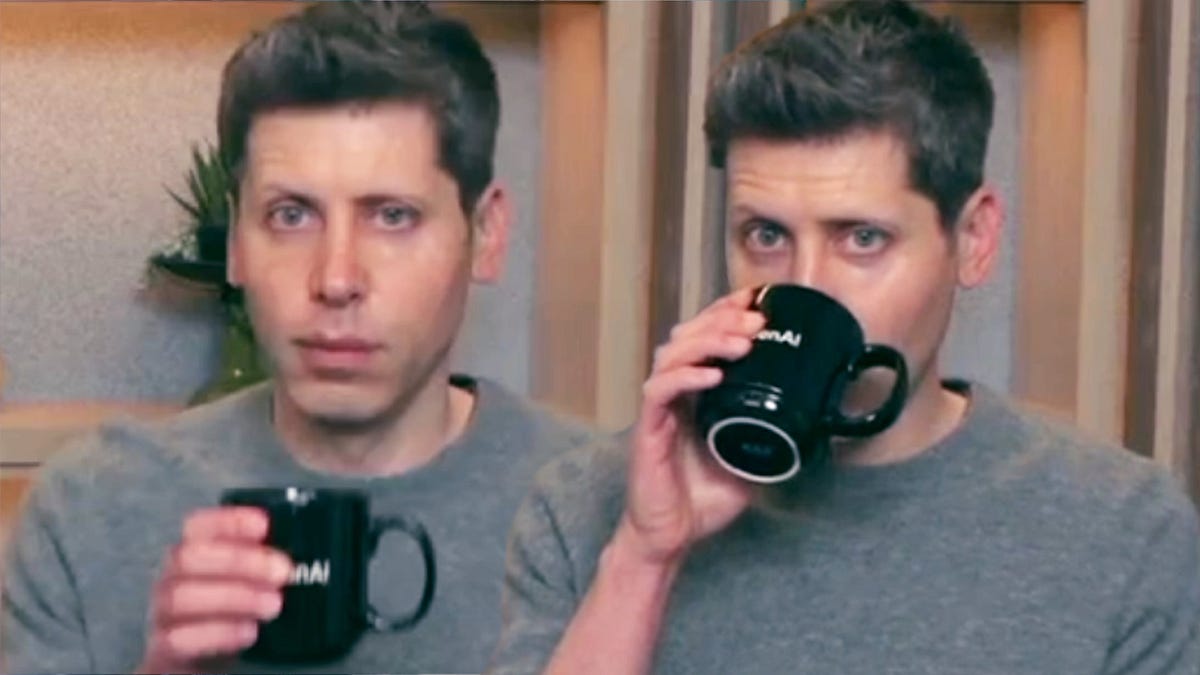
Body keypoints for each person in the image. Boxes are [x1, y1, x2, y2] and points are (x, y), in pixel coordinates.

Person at [488, 1, 1200, 673]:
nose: (808, 286)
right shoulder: (586, 507)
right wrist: (645, 557)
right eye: (766, 236)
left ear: (974, 240)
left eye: (862, 238)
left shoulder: (1124, 530)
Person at [1, 3, 597, 673]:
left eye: (392, 216)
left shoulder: (607, 511)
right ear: (236, 242)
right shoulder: (90, 509)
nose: (336, 279)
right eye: (291, 215)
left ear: (486, 234)